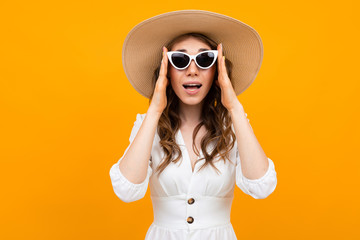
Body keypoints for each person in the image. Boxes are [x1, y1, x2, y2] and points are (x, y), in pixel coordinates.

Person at [109, 10, 278, 240]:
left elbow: (262, 186)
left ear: (218, 70)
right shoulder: (148, 125)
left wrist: (234, 106)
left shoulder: (233, 125)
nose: (192, 70)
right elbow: (126, 190)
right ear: (165, 69)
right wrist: (155, 110)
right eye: (179, 60)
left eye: (204, 59)